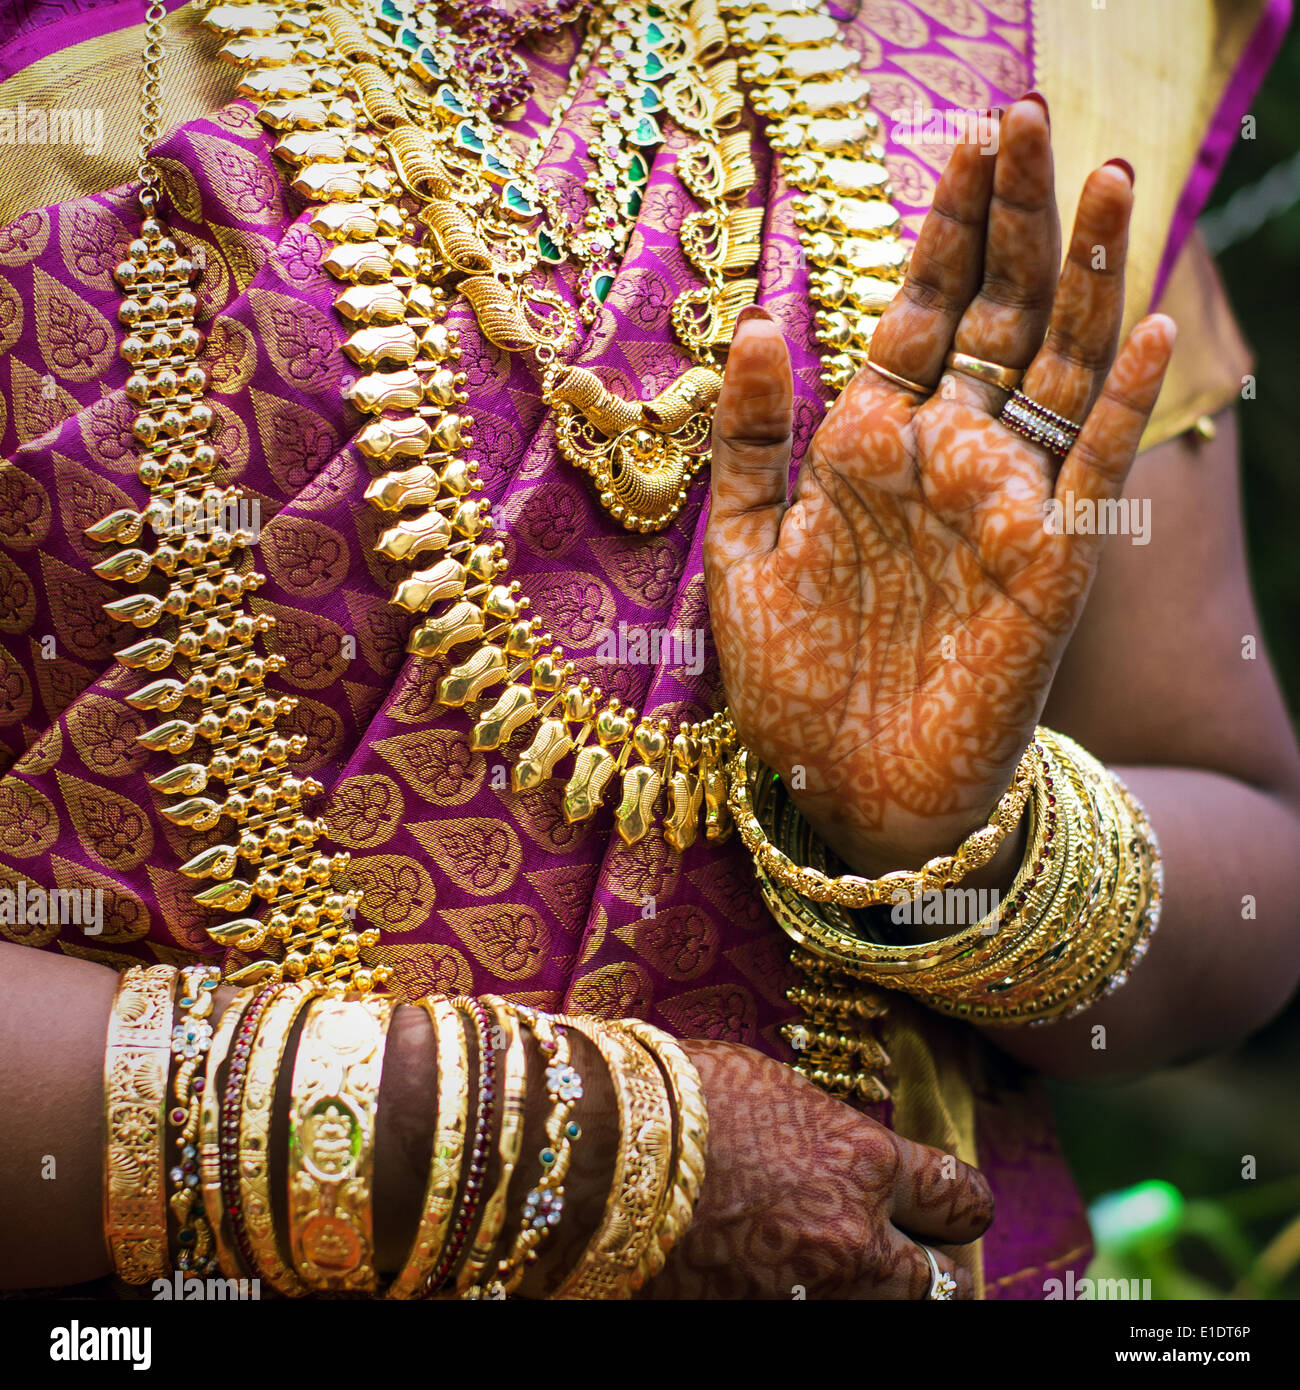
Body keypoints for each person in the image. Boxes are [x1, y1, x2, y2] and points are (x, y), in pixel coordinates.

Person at [0, 0, 1296, 1300]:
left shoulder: (1031, 52)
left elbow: (1256, 846)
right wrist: (564, 1161)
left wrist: (965, 848)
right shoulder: (56, 66)